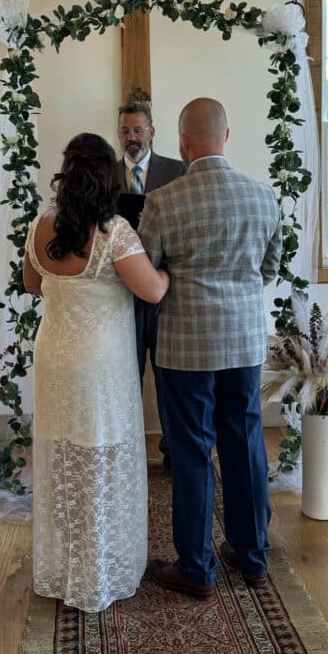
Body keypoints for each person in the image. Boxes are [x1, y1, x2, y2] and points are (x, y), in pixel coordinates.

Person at [138, 98, 283, 600]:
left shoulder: (163, 201)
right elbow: (270, 270)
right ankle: (253, 556)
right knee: (244, 445)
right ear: (227, 136)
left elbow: (149, 275)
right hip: (244, 342)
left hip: (184, 350)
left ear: (180, 141)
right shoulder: (263, 197)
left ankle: (197, 568)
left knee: (193, 453)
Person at [23, 133, 170, 612]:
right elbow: (151, 291)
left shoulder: (41, 226)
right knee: (102, 458)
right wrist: (167, 272)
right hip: (99, 364)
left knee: (63, 457)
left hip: (53, 356)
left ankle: (63, 567)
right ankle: (102, 570)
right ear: (108, 177)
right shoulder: (115, 233)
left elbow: (32, 282)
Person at [114, 102, 185, 469]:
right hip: (119, 296)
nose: (131, 138)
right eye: (125, 131)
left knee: (168, 380)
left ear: (152, 132)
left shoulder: (176, 171)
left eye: (138, 130)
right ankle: (127, 456)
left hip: (165, 294)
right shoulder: (107, 175)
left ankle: (173, 452)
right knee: (124, 378)